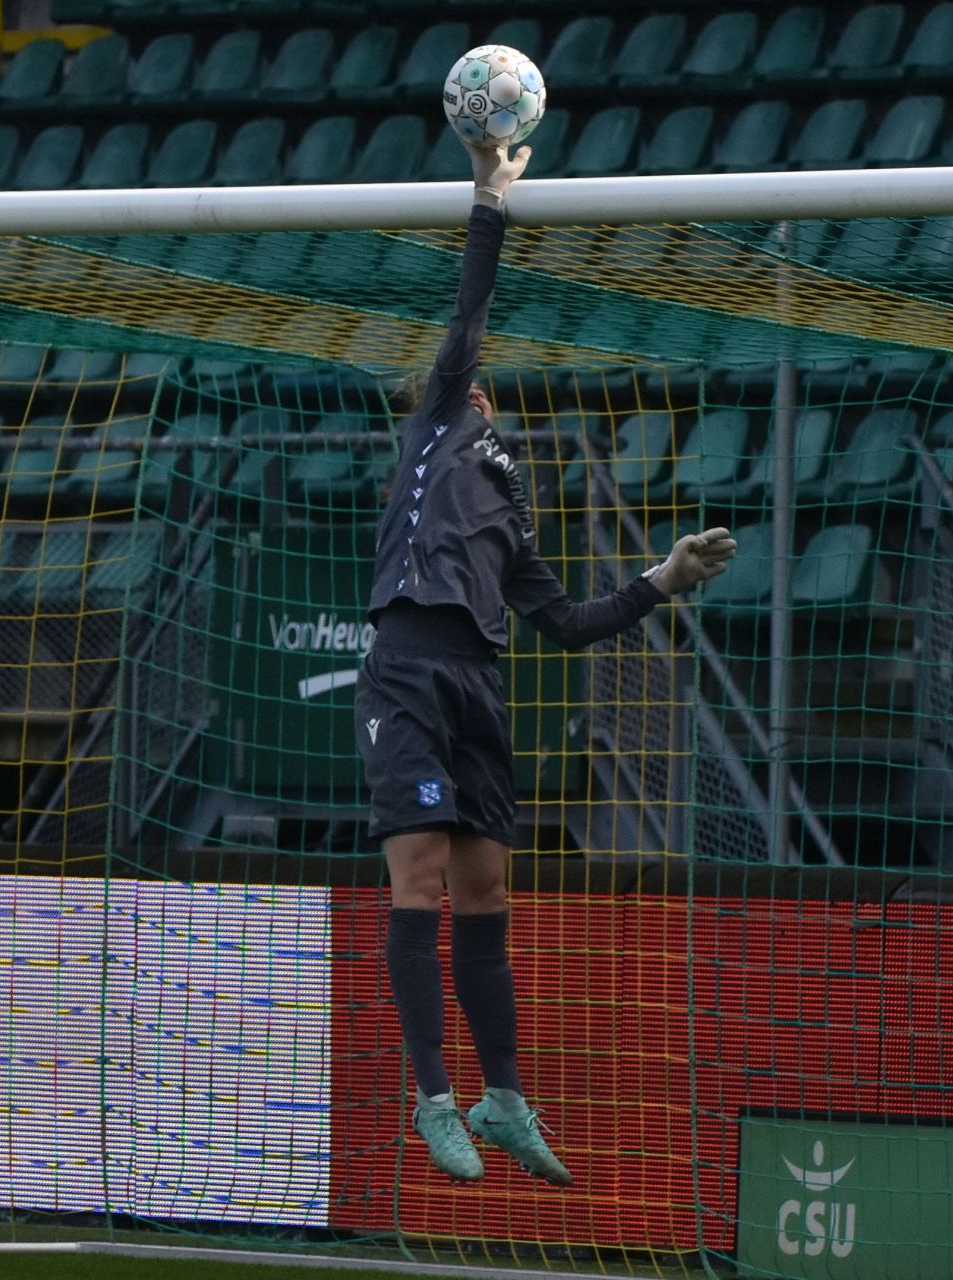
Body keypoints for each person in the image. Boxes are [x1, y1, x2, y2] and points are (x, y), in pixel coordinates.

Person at [356, 138, 737, 1186]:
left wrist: (662, 578)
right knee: (422, 880)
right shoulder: (437, 420)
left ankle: (503, 1095)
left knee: (487, 893)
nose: (477, 385)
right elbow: (471, 317)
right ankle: (433, 1095)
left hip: (481, 679)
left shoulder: (514, 504)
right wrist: (490, 200)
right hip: (409, 663)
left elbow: (565, 622)